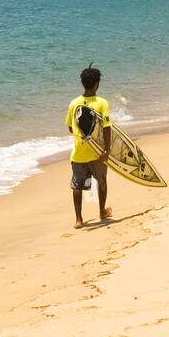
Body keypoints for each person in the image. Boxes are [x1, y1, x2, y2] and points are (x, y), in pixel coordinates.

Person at [66, 66, 112, 229]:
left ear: (83, 83)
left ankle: (79, 219)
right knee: (102, 180)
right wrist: (107, 149)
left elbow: (70, 128)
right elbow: (107, 127)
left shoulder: (74, 103)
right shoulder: (102, 103)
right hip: (97, 153)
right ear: (96, 84)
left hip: (79, 154)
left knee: (78, 186)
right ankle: (102, 211)